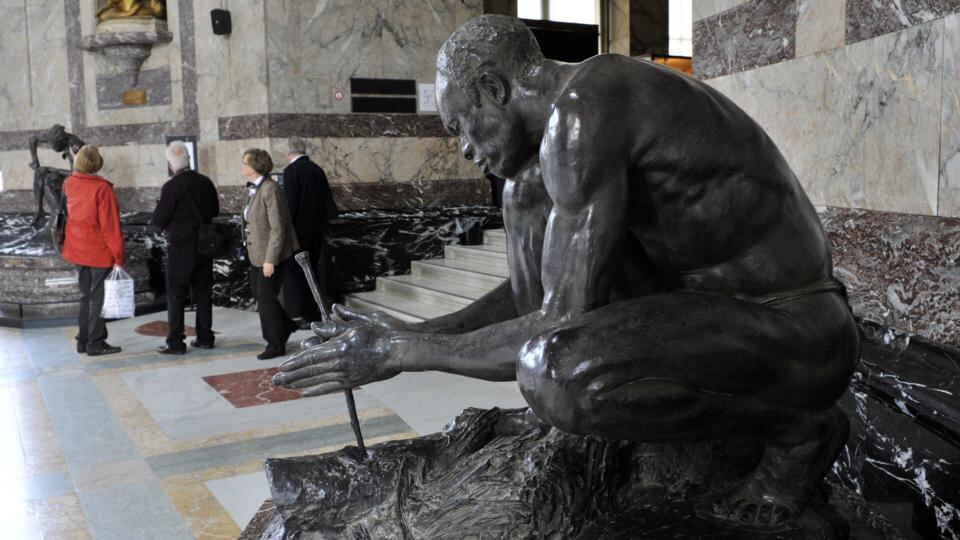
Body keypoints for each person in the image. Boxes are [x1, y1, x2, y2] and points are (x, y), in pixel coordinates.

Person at [275, 15, 859, 531]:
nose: (462, 150)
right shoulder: (568, 126)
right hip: (702, 314)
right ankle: (576, 426)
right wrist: (394, 335)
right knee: (525, 192)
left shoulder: (590, 108)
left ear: (493, 89)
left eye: (459, 126)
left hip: (794, 328)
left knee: (555, 374)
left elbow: (559, 322)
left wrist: (402, 351)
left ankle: (796, 434)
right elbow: (547, 295)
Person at [149, 141, 220, 354]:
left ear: (171, 164)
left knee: (176, 295)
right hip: (204, 247)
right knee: (203, 293)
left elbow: (159, 219)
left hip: (180, 248)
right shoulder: (206, 182)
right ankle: (205, 337)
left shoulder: (172, 186)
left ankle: (176, 342)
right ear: (189, 159)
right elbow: (215, 210)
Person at [61, 145, 125, 356]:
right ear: (98, 163)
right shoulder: (102, 188)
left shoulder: (69, 183)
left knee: (85, 295)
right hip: (98, 250)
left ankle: (83, 340)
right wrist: (118, 255)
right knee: (98, 297)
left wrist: (76, 157)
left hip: (77, 247)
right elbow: (110, 226)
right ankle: (95, 343)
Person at [241, 148, 299, 360]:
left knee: (265, 298)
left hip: (270, 255)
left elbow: (278, 228)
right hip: (256, 253)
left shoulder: (270, 189)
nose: (242, 166)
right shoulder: (256, 189)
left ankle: (275, 344)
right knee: (260, 295)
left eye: (245, 163)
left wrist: (270, 259)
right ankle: (287, 324)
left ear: (256, 167)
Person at [281, 136, 337, 327]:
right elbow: (327, 201)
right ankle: (317, 311)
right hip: (316, 231)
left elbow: (291, 204)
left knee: (299, 275)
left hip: (297, 234)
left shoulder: (291, 171)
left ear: (289, 153)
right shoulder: (317, 170)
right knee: (312, 271)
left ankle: (309, 315)